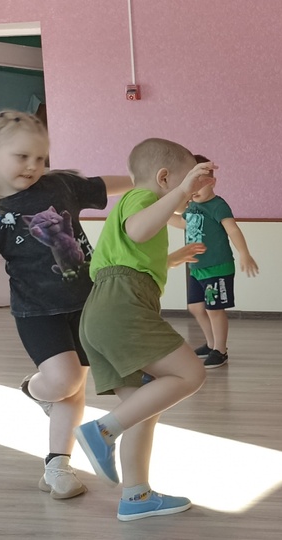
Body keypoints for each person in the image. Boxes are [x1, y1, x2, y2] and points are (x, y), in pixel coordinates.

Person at [0, 111, 134, 500]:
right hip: (37, 311)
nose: (33, 166)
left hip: (86, 303)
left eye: (40, 158)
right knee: (64, 382)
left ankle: (57, 466)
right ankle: (34, 389)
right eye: (22, 157)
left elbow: (104, 185)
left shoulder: (58, 185)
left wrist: (149, 181)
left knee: (73, 388)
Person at [72, 138, 215, 521]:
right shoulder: (141, 197)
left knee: (141, 408)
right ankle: (102, 431)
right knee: (191, 373)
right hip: (122, 307)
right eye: (185, 184)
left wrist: (170, 259)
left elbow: (130, 255)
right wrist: (181, 193)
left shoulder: (140, 206)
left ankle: (135, 496)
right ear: (164, 178)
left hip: (102, 312)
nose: (189, 195)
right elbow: (137, 232)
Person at [168, 154, 260, 369]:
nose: (194, 190)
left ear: (212, 182)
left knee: (214, 310)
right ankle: (211, 344)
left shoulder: (218, 206)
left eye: (199, 184)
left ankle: (221, 350)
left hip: (217, 266)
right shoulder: (191, 207)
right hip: (196, 267)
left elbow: (232, 229)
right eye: (190, 185)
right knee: (195, 307)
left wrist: (244, 253)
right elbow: (184, 224)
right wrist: (160, 214)